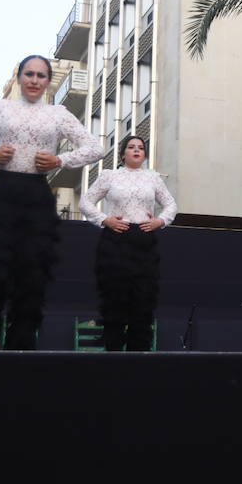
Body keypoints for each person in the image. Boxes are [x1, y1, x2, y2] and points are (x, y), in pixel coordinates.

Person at [0, 55, 103, 350]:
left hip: (36, 198)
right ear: (19, 77)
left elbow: (96, 147)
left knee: (31, 273)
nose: (34, 80)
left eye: (41, 76)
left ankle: (21, 344)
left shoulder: (58, 114)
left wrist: (59, 159)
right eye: (29, 74)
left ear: (47, 81)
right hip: (0, 194)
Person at [80, 135, 177, 351]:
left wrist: (160, 221)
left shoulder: (153, 178)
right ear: (123, 153)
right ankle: (113, 353)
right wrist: (104, 219)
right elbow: (85, 201)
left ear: (144, 154)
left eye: (140, 148)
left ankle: (138, 356)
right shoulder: (109, 176)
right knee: (114, 299)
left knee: (142, 300)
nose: (136, 150)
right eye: (131, 147)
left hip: (143, 241)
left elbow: (171, 204)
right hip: (115, 241)